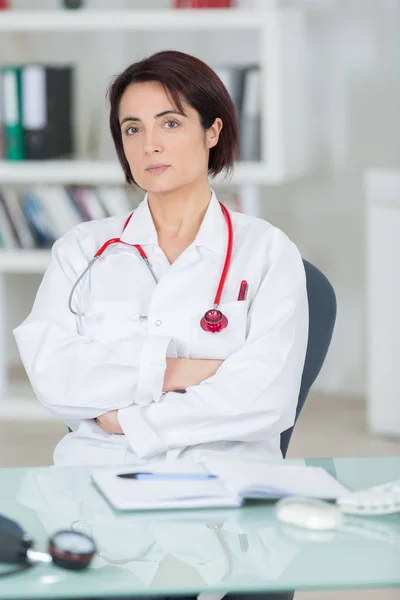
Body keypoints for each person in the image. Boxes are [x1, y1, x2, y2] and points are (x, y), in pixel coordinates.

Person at [14, 50, 308, 470]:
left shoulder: (266, 251)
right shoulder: (81, 249)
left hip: (224, 477)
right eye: (132, 128)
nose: (149, 144)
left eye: (170, 123)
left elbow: (266, 399)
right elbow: (53, 377)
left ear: (212, 131)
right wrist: (172, 371)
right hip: (97, 472)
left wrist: (129, 421)